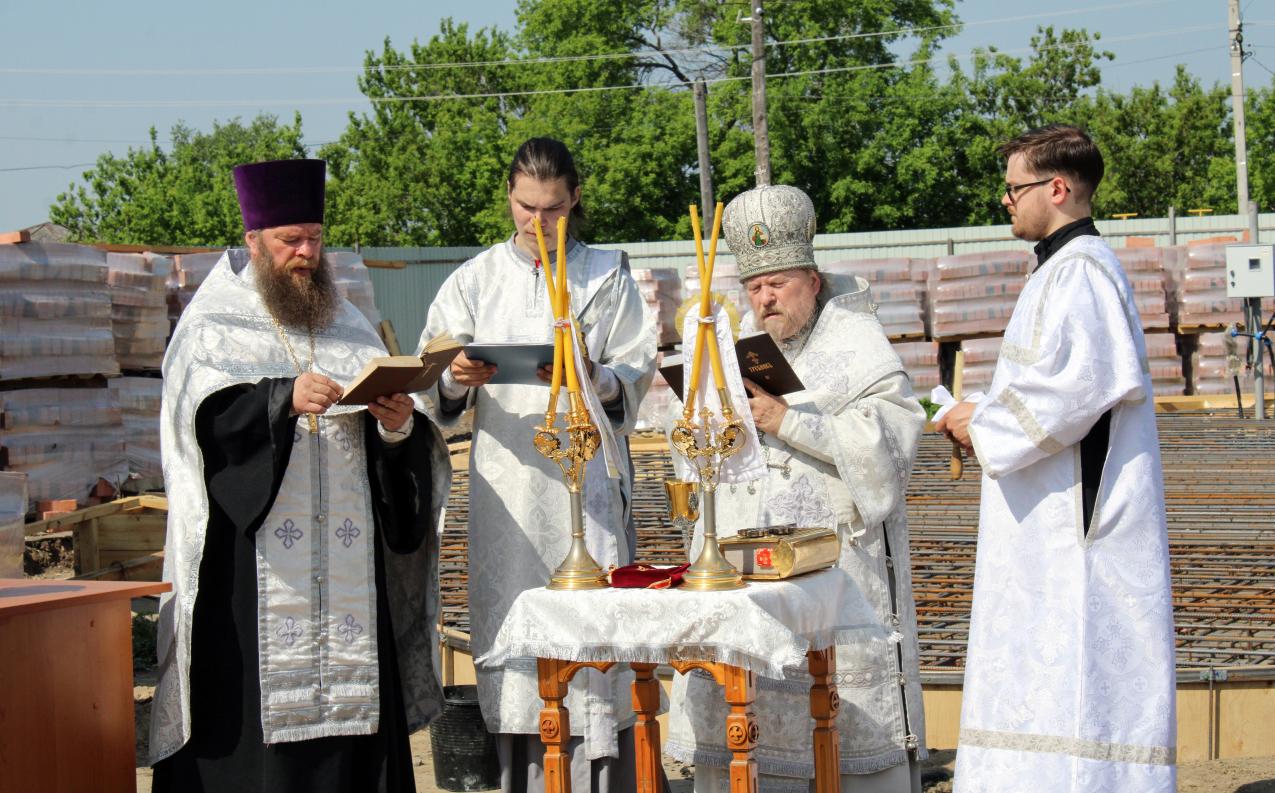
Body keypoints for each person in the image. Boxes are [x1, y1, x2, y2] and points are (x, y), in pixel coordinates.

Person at [150, 158, 451, 792]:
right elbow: (198, 431)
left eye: (314, 237)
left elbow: (397, 457)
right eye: (290, 240)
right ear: (254, 240)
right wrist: (279, 401)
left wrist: (396, 425)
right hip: (250, 584)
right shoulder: (212, 327)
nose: (306, 253)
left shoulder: (347, 323)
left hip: (348, 586)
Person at [665, 184, 929, 793]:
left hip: (836, 576)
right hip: (750, 572)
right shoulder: (734, 349)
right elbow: (695, 447)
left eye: (779, 283)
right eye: (755, 288)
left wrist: (790, 422)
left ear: (812, 277)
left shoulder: (857, 343)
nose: (766, 298)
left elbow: (892, 441)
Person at [938, 124, 1176, 792]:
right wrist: (980, 411)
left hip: (1077, 540)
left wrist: (977, 422)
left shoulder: (1083, 273)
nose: (1005, 200)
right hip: (1041, 525)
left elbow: (1072, 392)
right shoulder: (1058, 271)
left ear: (1059, 187)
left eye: (1015, 188)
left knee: (1076, 686)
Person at [420, 137, 657, 793]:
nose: (537, 222)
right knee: (521, 647)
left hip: (590, 496)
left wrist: (595, 374)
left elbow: (636, 374)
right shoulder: (472, 281)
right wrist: (457, 376)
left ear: (574, 198)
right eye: (526, 207)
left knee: (595, 645)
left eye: (552, 209)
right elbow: (429, 386)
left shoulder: (607, 276)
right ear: (509, 197)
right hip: (510, 495)